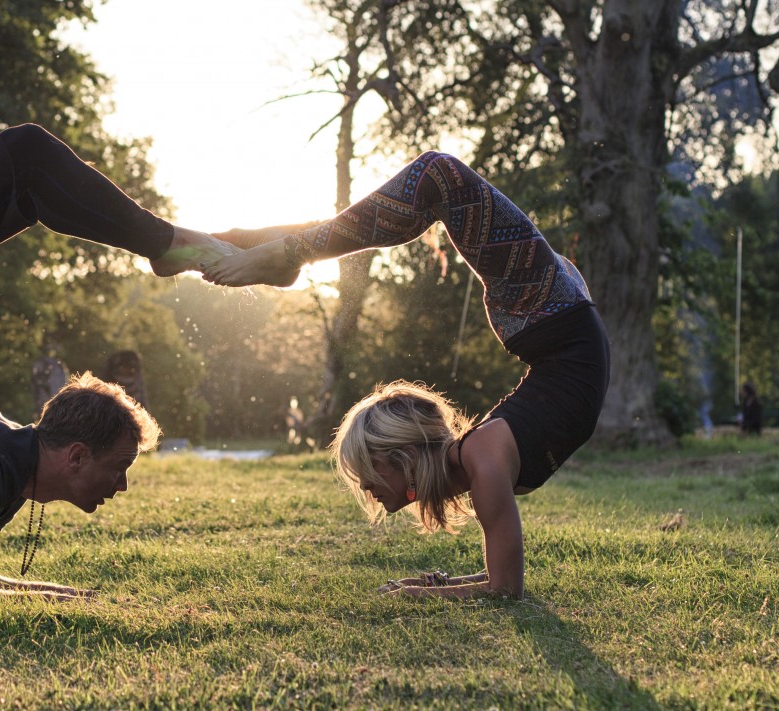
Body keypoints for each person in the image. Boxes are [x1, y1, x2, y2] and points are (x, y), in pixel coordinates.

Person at [0, 123, 235, 603]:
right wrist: (62, 599)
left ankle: (167, 243)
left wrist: (65, 597)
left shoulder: (2, 468)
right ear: (76, 456)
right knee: (27, 159)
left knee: (29, 171)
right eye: (119, 467)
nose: (123, 485)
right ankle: (167, 244)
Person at [203, 151, 610, 599]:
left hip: (550, 314)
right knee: (433, 188)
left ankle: (281, 250)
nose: (367, 488)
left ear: (402, 455)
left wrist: (418, 595)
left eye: (367, 474)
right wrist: (434, 585)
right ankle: (263, 246)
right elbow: (502, 582)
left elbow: (505, 590)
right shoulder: (482, 462)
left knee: (437, 178)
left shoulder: (485, 458)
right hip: (552, 316)